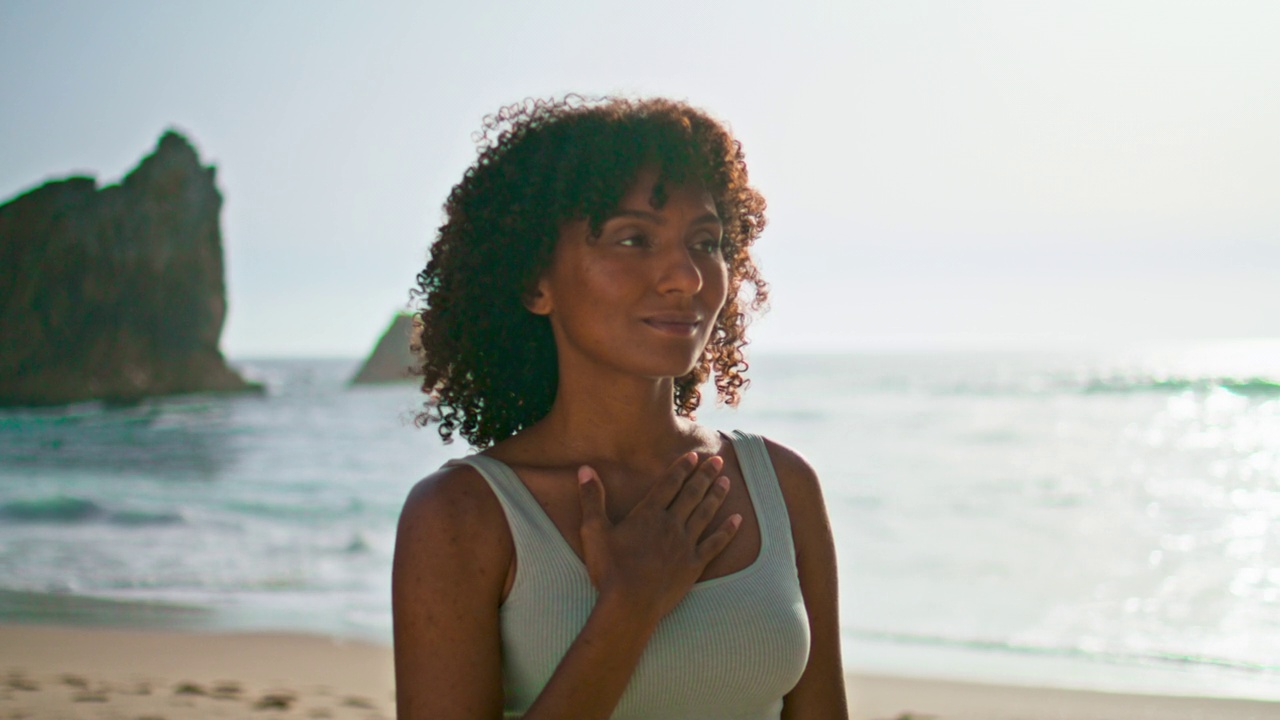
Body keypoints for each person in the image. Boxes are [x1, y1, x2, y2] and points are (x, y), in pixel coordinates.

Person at [392, 96, 847, 719]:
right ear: (534, 282)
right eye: (633, 238)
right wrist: (629, 607)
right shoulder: (462, 515)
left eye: (706, 241)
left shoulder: (781, 487)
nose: (685, 276)